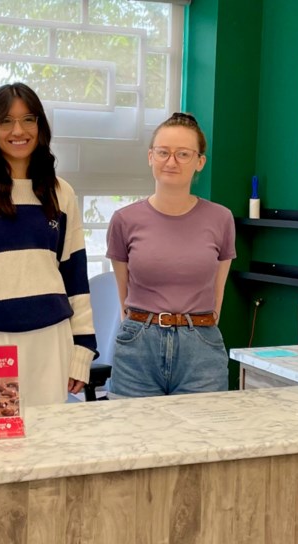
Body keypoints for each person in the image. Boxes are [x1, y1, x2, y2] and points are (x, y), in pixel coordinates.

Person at [0, 82, 96, 407]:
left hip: (50, 340)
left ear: (40, 125)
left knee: (49, 441)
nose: (18, 130)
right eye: (6, 121)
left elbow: (76, 277)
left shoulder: (60, 192)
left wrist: (82, 348)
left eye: (28, 120)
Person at [106, 112, 236, 397]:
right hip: (138, 345)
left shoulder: (221, 219)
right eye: (163, 152)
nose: (171, 161)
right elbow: (123, 297)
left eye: (183, 154)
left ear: (200, 161)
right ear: (150, 157)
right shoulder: (124, 220)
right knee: (133, 435)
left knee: (202, 438)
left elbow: (218, 293)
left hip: (200, 346)